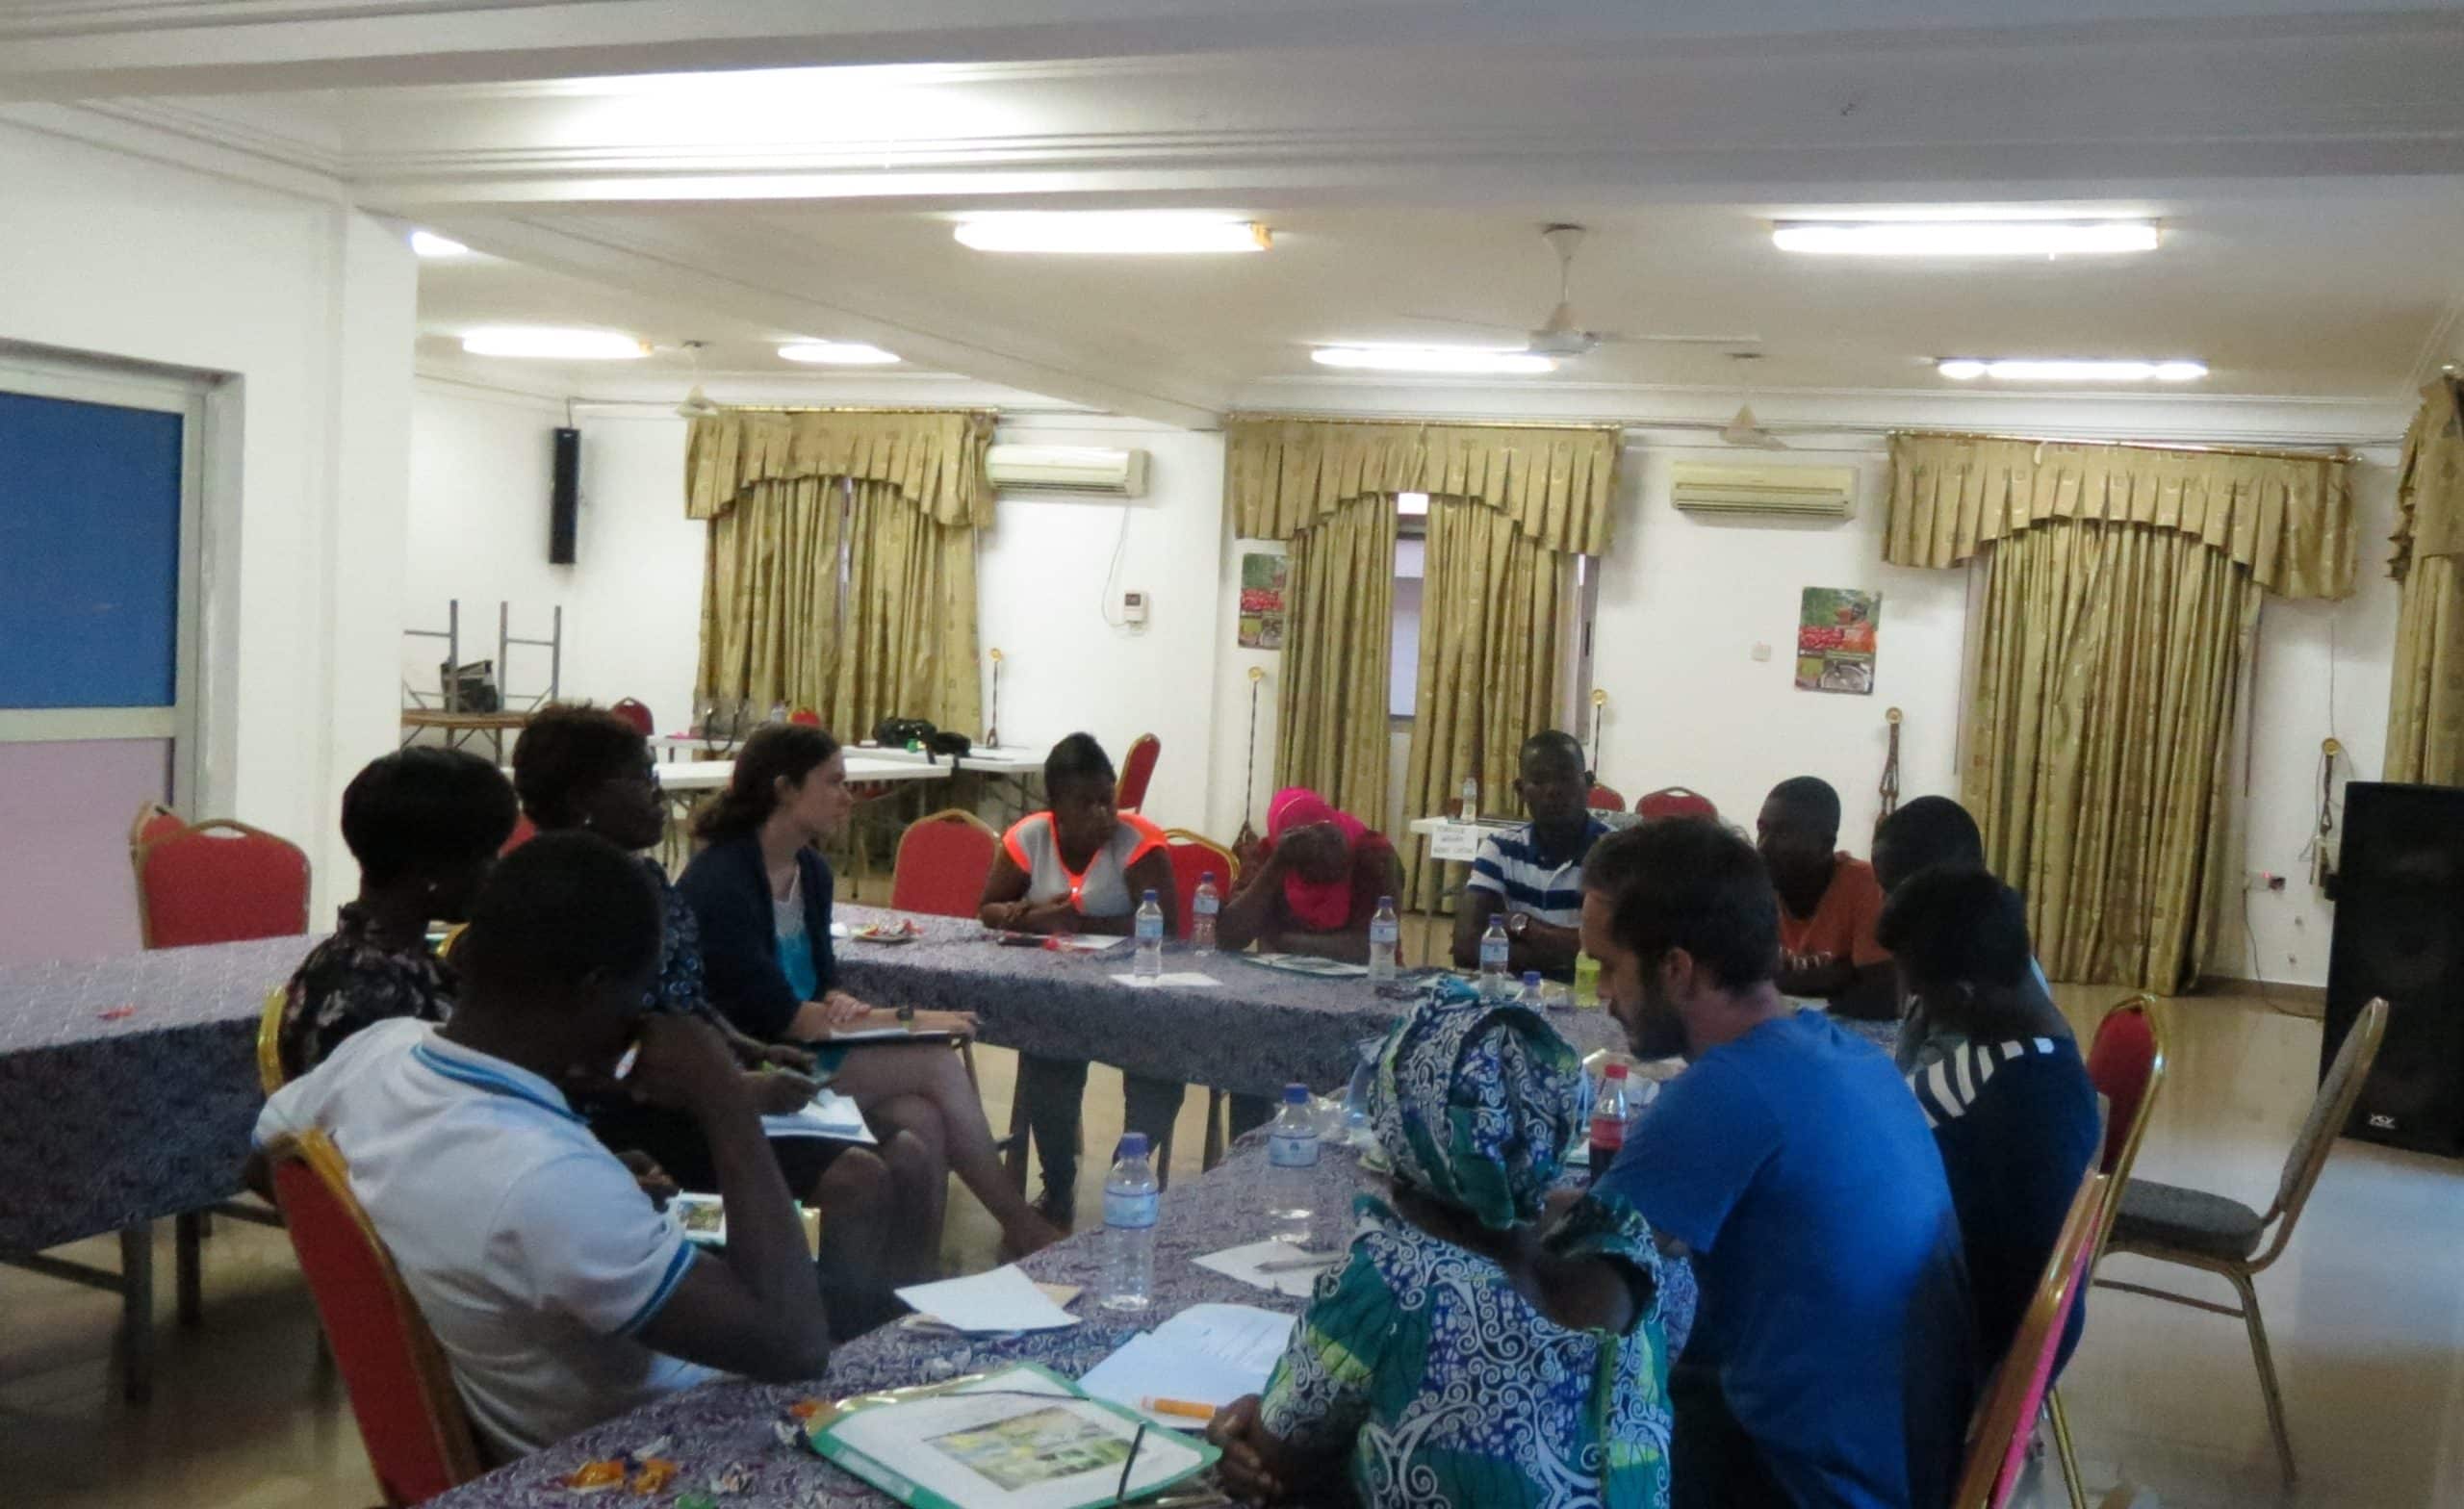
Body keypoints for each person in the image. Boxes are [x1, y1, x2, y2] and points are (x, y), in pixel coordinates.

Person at [252, 832, 834, 1460]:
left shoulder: (380, 1049)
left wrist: (448, 1266)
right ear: (593, 990)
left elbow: (266, 1164)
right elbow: (794, 1347)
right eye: (637, 997)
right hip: (642, 1455)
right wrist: (725, 1101)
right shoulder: (547, 1180)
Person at [1581, 818, 1974, 1509]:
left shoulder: (1725, 1093)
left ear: (1676, 968)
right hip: (1898, 1458)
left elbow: (1584, 1299)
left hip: (1799, 1481)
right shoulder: (1839, 1051)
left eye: (1609, 967)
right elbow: (1632, 1223)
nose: (1601, 995)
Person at [512, 705, 944, 1317]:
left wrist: (749, 1049)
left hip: (699, 1088)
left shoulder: (640, 877)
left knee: (909, 1150)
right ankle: (826, 1337)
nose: (660, 795)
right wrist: (734, 1088)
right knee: (859, 1177)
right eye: (642, 780)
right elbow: (600, 1053)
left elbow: (687, 1001)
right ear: (584, 797)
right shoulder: (563, 897)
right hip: (622, 1120)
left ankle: (891, 1321)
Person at [1207, 979, 1677, 1508]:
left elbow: (1272, 1468)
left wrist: (1245, 1418)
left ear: (1401, 1140)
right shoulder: (1631, 1250)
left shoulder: (1394, 1279)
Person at [679, 722, 1063, 1258]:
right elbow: (778, 1015)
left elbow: (819, 977)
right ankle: (1019, 1225)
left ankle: (912, 1283)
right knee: (935, 1065)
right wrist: (916, 1020)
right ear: (785, 789)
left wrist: (837, 997)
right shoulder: (720, 879)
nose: (848, 797)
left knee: (923, 1123)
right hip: (759, 1062)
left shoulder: (810, 870)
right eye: (834, 783)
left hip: (808, 1041)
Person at [1878, 866, 2097, 1373]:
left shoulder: (2030, 1101)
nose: (1914, 1003)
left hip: (1915, 1348)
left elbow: (2042, 1302)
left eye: (1920, 992)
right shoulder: (2010, 1043)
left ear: (1960, 997)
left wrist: (1996, 1406)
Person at [977, 732, 1185, 1226]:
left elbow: (1167, 928)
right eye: (1086, 803)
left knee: (1164, 1059)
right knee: (1048, 1057)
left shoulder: (1139, 844)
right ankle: (1058, 1187)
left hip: (1139, 992)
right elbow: (986, 908)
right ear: (1055, 807)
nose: (1103, 815)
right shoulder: (1028, 837)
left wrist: (1075, 924)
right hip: (1059, 993)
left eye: (1108, 800)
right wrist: (1023, 915)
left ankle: (1125, 1169)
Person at [275, 747, 517, 1083]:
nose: (497, 870)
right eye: (488, 855)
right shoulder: (382, 997)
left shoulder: (346, 958)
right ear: (432, 870)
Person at [1870, 794, 2058, 1072]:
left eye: (1894, 889)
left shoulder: (1980, 985)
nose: (1884, 902)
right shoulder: (1947, 952)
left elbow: (1921, 1098)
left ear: (1951, 882)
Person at [1450, 730, 1604, 981]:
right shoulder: (1499, 847)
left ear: (1588, 784)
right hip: (1514, 996)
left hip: (1589, 999)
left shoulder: (1615, 853)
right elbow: (1467, 948)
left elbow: (1613, 952)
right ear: (1520, 790)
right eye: (1540, 781)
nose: (1553, 790)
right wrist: (1569, 953)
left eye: (1565, 778)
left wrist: (1526, 928)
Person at [1758, 776, 1895, 1020]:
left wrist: (1776, 978)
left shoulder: (1865, 885)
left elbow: (1883, 996)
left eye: (1783, 834)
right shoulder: (1756, 882)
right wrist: (1839, 975)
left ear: (1825, 845)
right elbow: (1735, 978)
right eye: (1762, 830)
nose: (1763, 847)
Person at [1218, 787, 1404, 962]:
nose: (1319, 877)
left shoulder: (1374, 854)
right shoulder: (1270, 854)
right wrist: (1275, 866)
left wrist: (1284, 942)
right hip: (1281, 979)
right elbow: (1229, 938)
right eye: (1306, 866)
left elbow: (1376, 947)